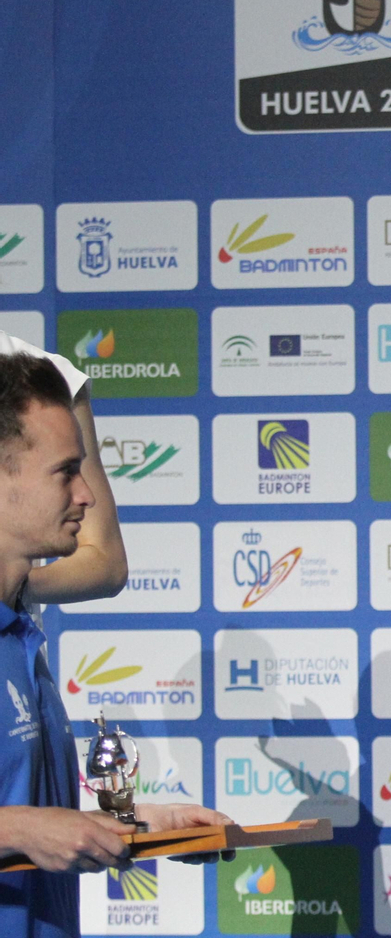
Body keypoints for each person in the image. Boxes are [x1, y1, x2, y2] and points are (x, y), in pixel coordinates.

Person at [0, 353, 229, 938]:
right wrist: (21, 831)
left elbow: (33, 819)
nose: (88, 495)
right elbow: (23, 828)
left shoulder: (22, 638)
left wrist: (134, 824)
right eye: (65, 471)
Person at [0, 330, 127, 605]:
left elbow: (105, 560)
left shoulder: (45, 376)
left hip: (12, 632)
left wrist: (11, 586)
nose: (86, 495)